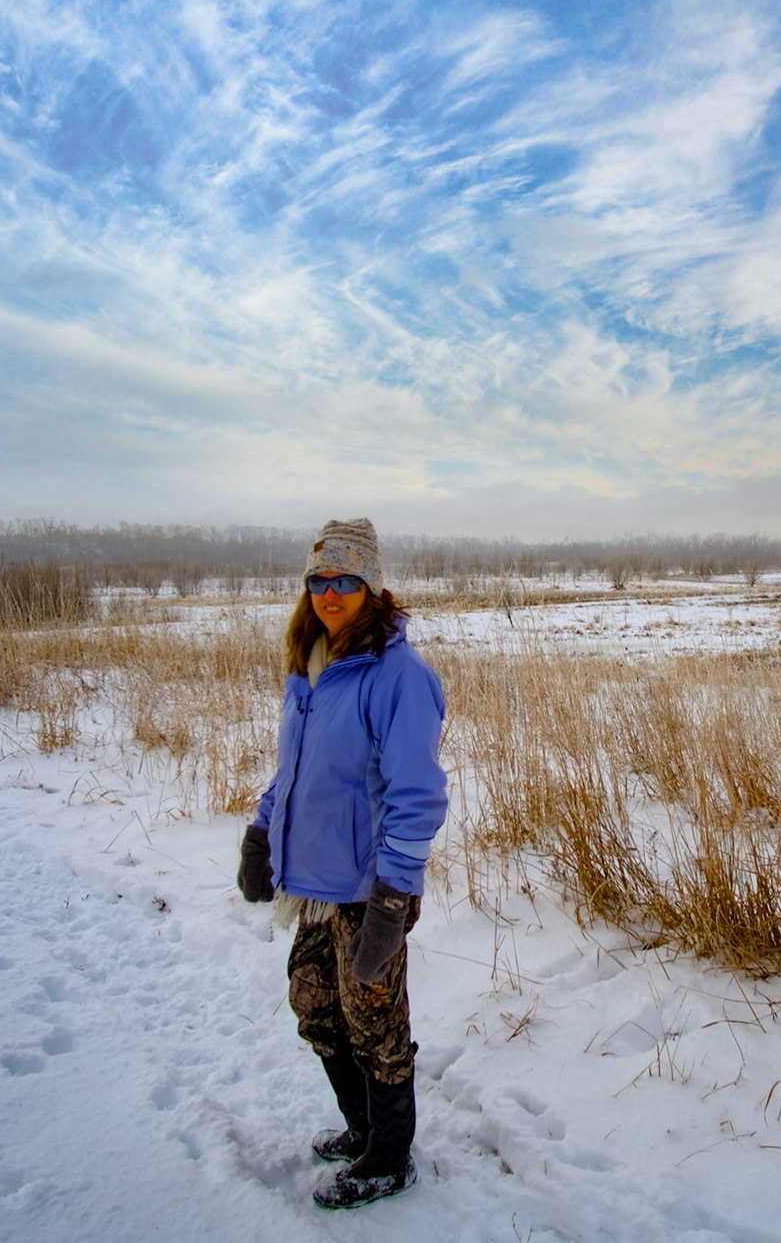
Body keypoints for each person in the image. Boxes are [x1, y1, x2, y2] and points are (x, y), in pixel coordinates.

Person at [235, 518, 448, 1210]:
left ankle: (389, 1159)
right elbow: (294, 769)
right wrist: (263, 832)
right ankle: (362, 1129)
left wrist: (392, 896)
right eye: (319, 581)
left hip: (368, 887)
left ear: (372, 587)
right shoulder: (313, 663)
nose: (330, 593)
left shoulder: (398, 676)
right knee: (316, 1007)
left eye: (346, 581)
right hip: (314, 882)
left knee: (376, 1027)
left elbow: (416, 796)